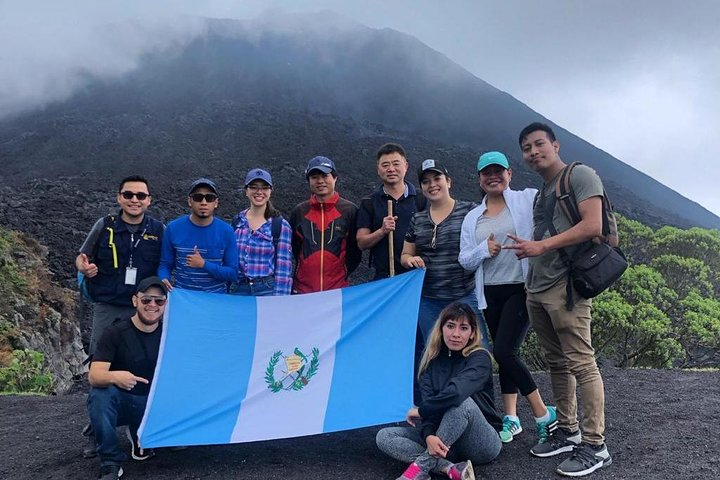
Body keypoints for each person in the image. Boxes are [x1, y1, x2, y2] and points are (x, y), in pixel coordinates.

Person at [505, 122, 612, 477]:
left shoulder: (579, 176)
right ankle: (567, 430)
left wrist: (541, 247)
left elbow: (593, 224)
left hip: (566, 286)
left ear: (555, 144)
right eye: (527, 148)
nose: (533, 152)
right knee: (556, 362)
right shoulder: (543, 190)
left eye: (539, 144)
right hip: (539, 286)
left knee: (581, 362)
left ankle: (596, 446)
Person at [458, 151, 556, 445]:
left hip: (520, 287)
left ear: (509, 174)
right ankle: (511, 418)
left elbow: (553, 195)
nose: (493, 176)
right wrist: (483, 251)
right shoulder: (473, 217)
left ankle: (542, 412)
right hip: (489, 293)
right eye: (486, 172)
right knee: (508, 351)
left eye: (498, 171)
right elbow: (465, 259)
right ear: (479, 179)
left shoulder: (526, 199)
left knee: (503, 351)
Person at [376, 302, 502, 480]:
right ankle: (450, 468)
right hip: (445, 441)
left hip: (481, 443)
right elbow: (428, 403)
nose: (456, 334)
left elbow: (456, 393)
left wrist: (421, 412)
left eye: (463, 328)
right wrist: (428, 435)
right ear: (441, 328)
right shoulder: (430, 360)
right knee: (385, 436)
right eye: (450, 326)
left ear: (472, 333)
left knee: (461, 403)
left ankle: (417, 471)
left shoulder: (479, 358)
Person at [400, 159, 490, 349]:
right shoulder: (418, 219)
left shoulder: (470, 211)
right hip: (429, 299)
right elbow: (405, 255)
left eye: (436, 178)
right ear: (422, 188)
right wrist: (411, 260)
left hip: (464, 295)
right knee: (433, 353)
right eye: (426, 181)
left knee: (477, 349)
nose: (432, 185)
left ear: (448, 181)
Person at [87, 276, 166, 480]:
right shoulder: (114, 332)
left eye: (159, 301)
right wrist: (115, 376)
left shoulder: (170, 333)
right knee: (100, 394)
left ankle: (140, 434)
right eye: (146, 300)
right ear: (135, 301)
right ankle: (110, 462)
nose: (152, 305)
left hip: (154, 405)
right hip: (124, 400)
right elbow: (94, 375)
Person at [76, 175, 164, 358]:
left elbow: (168, 264)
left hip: (144, 307)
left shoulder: (159, 230)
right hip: (108, 306)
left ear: (149, 200)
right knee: (101, 357)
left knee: (144, 358)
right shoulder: (105, 226)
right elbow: (82, 256)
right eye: (128, 194)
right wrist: (83, 268)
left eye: (140, 196)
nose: (134, 200)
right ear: (119, 197)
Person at [289, 156, 361, 293]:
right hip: (303, 290)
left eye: (325, 176)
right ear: (309, 181)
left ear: (335, 178)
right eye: (314, 177)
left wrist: (345, 271)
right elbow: (294, 247)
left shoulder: (349, 210)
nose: (320, 181)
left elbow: (355, 250)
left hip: (337, 290)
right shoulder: (299, 212)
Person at [357, 143, 426, 280]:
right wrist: (382, 231)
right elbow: (361, 243)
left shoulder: (421, 199)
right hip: (383, 277)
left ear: (406, 166)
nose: (391, 169)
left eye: (396, 164)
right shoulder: (369, 202)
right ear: (378, 169)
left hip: (415, 276)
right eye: (385, 165)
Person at [158, 178, 238, 292]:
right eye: (198, 197)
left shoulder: (227, 231)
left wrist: (203, 264)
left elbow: (233, 273)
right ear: (190, 201)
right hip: (184, 299)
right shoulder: (173, 228)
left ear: (216, 203)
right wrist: (163, 278)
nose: (203, 202)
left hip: (216, 300)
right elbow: (165, 264)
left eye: (209, 198)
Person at [231, 168, 293, 296]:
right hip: (238, 289)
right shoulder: (237, 222)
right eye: (253, 187)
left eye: (264, 187)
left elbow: (283, 269)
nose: (259, 192)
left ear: (271, 191)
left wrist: (281, 300)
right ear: (246, 191)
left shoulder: (280, 225)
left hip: (267, 290)